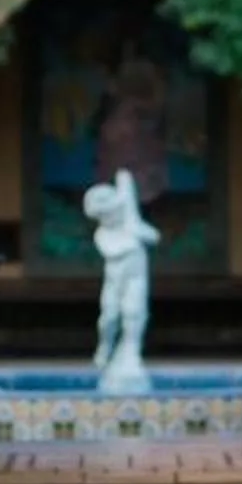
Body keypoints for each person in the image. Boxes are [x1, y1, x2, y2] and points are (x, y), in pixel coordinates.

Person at [84, 166, 159, 395]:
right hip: (114, 282)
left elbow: (154, 236)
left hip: (135, 277)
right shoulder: (104, 235)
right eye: (104, 214)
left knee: (133, 312)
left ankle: (132, 351)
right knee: (109, 317)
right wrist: (132, 230)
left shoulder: (131, 222)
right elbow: (115, 249)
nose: (110, 216)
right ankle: (105, 346)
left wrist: (139, 231)